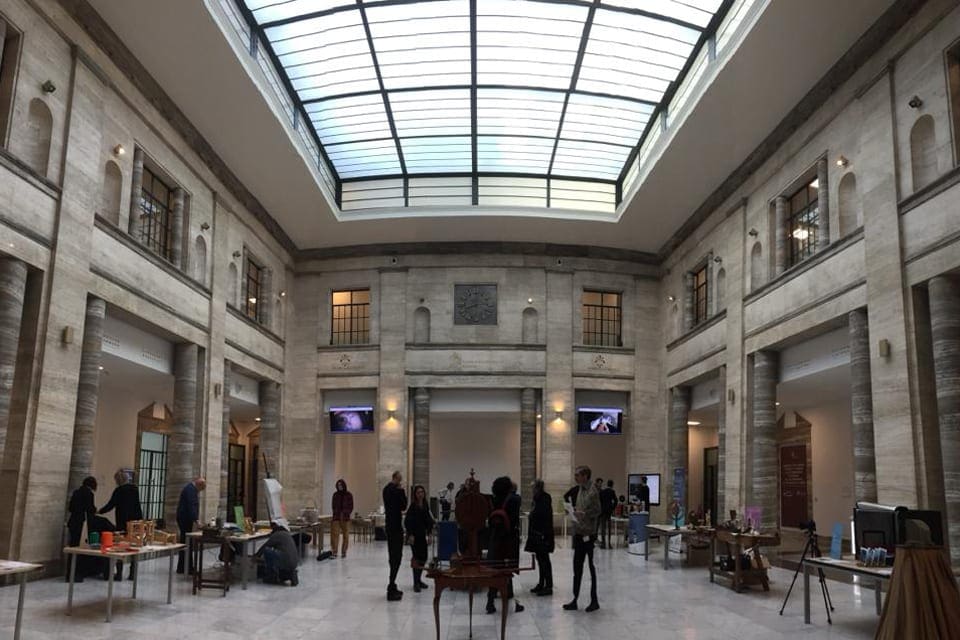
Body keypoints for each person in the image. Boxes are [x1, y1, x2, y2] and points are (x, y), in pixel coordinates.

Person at [563, 465, 600, 612]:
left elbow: (598, 510)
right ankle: (575, 599)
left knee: (591, 568)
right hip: (578, 533)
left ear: (585, 475)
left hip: (588, 535)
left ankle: (594, 600)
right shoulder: (579, 489)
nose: (575, 477)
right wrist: (571, 511)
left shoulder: (593, 491)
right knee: (576, 568)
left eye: (577, 475)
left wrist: (584, 514)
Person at [486, 475, 524, 615]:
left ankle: (490, 601)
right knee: (507, 570)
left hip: (495, 539)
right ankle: (508, 596)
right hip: (509, 540)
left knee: (495, 569)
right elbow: (517, 499)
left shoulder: (493, 500)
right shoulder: (514, 499)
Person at [99, 469, 143, 580]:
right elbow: (137, 505)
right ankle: (133, 573)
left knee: (121, 546)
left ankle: (119, 574)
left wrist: (99, 511)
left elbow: (111, 504)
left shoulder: (119, 490)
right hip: (135, 521)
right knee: (134, 546)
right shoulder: (134, 489)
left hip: (122, 521)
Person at [525, 479, 555, 596]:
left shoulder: (545, 498)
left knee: (544, 561)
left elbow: (543, 515)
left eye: (533, 488)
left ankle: (548, 586)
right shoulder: (536, 498)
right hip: (536, 534)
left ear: (538, 488)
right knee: (540, 560)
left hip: (542, 534)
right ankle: (541, 582)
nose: (532, 490)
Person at [66, 476, 97, 582]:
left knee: (72, 547)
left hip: (72, 522)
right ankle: (77, 574)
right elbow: (90, 509)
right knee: (79, 548)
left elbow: (70, 508)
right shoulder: (89, 494)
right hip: (81, 523)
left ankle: (69, 573)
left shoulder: (76, 492)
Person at [383, 470, 408, 601]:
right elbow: (404, 506)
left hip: (390, 526)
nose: (400, 482)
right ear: (395, 478)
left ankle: (392, 584)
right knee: (396, 556)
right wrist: (402, 491)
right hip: (395, 527)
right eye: (400, 479)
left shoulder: (386, 489)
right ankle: (391, 585)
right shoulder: (397, 491)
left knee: (394, 556)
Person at [404, 484, 434, 593]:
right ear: (415, 495)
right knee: (416, 558)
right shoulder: (413, 506)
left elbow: (429, 521)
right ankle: (415, 583)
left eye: (422, 492)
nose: (420, 494)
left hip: (422, 536)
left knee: (423, 557)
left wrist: (430, 534)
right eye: (418, 492)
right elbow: (408, 521)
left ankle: (419, 580)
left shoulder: (425, 505)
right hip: (414, 537)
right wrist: (410, 534)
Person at [175, 476, 205, 574]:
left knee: (186, 542)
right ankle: (186, 568)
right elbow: (191, 506)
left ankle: (183, 567)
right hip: (184, 519)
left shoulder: (190, 488)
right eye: (201, 489)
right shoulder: (191, 490)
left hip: (184, 518)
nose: (199, 491)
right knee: (187, 543)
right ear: (199, 484)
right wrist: (197, 521)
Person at [257, 520, 300, 585]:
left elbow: (265, 546)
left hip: (286, 561)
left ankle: (271, 577)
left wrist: (256, 556)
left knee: (267, 551)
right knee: (276, 554)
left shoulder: (277, 534)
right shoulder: (286, 534)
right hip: (294, 562)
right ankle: (289, 574)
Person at [330, 479, 353, 559]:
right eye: (338, 485)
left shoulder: (348, 495)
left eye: (341, 485)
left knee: (346, 535)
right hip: (336, 517)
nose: (340, 486)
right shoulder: (335, 495)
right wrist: (336, 512)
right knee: (334, 535)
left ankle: (344, 552)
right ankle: (334, 551)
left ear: (344, 485)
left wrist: (346, 513)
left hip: (345, 518)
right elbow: (333, 505)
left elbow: (351, 506)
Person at [598, 479, 617, 549]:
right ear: (612, 485)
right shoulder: (612, 491)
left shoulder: (602, 492)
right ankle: (609, 544)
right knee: (609, 528)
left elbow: (599, 501)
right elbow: (616, 501)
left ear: (607, 484)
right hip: (609, 512)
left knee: (603, 528)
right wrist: (612, 508)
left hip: (602, 512)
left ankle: (603, 544)